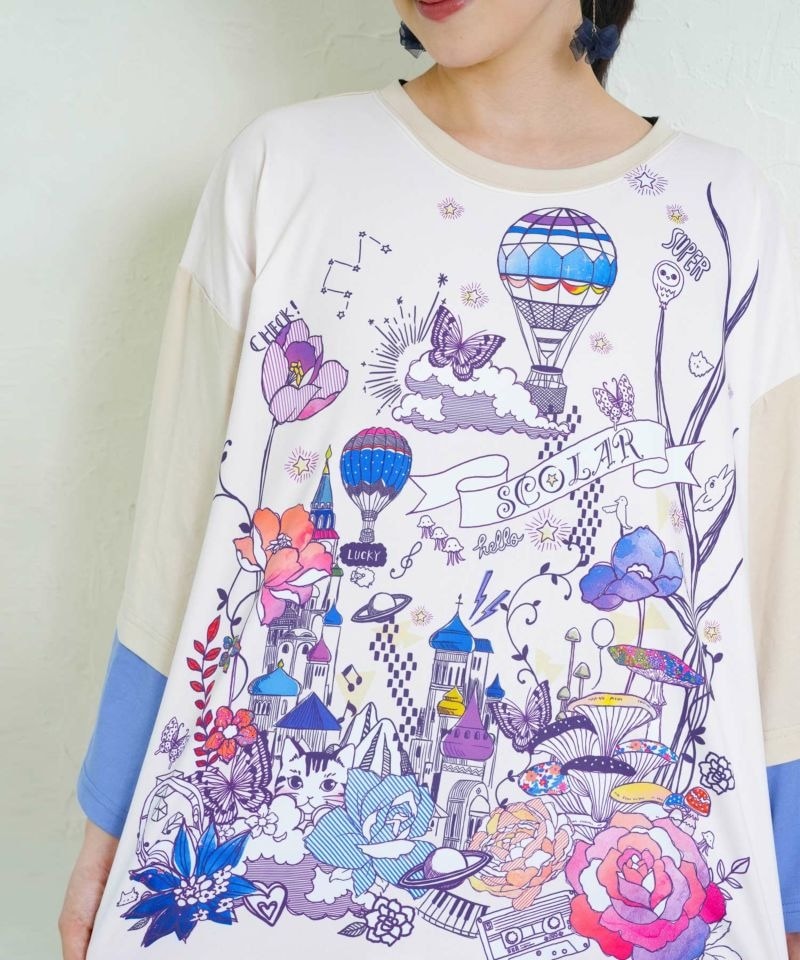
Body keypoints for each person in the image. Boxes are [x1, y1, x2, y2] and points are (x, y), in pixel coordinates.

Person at [60, 1, 800, 958]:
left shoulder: (725, 209)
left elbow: (775, 591)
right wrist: (107, 823)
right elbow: (178, 542)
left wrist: (790, 892)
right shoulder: (285, 167)